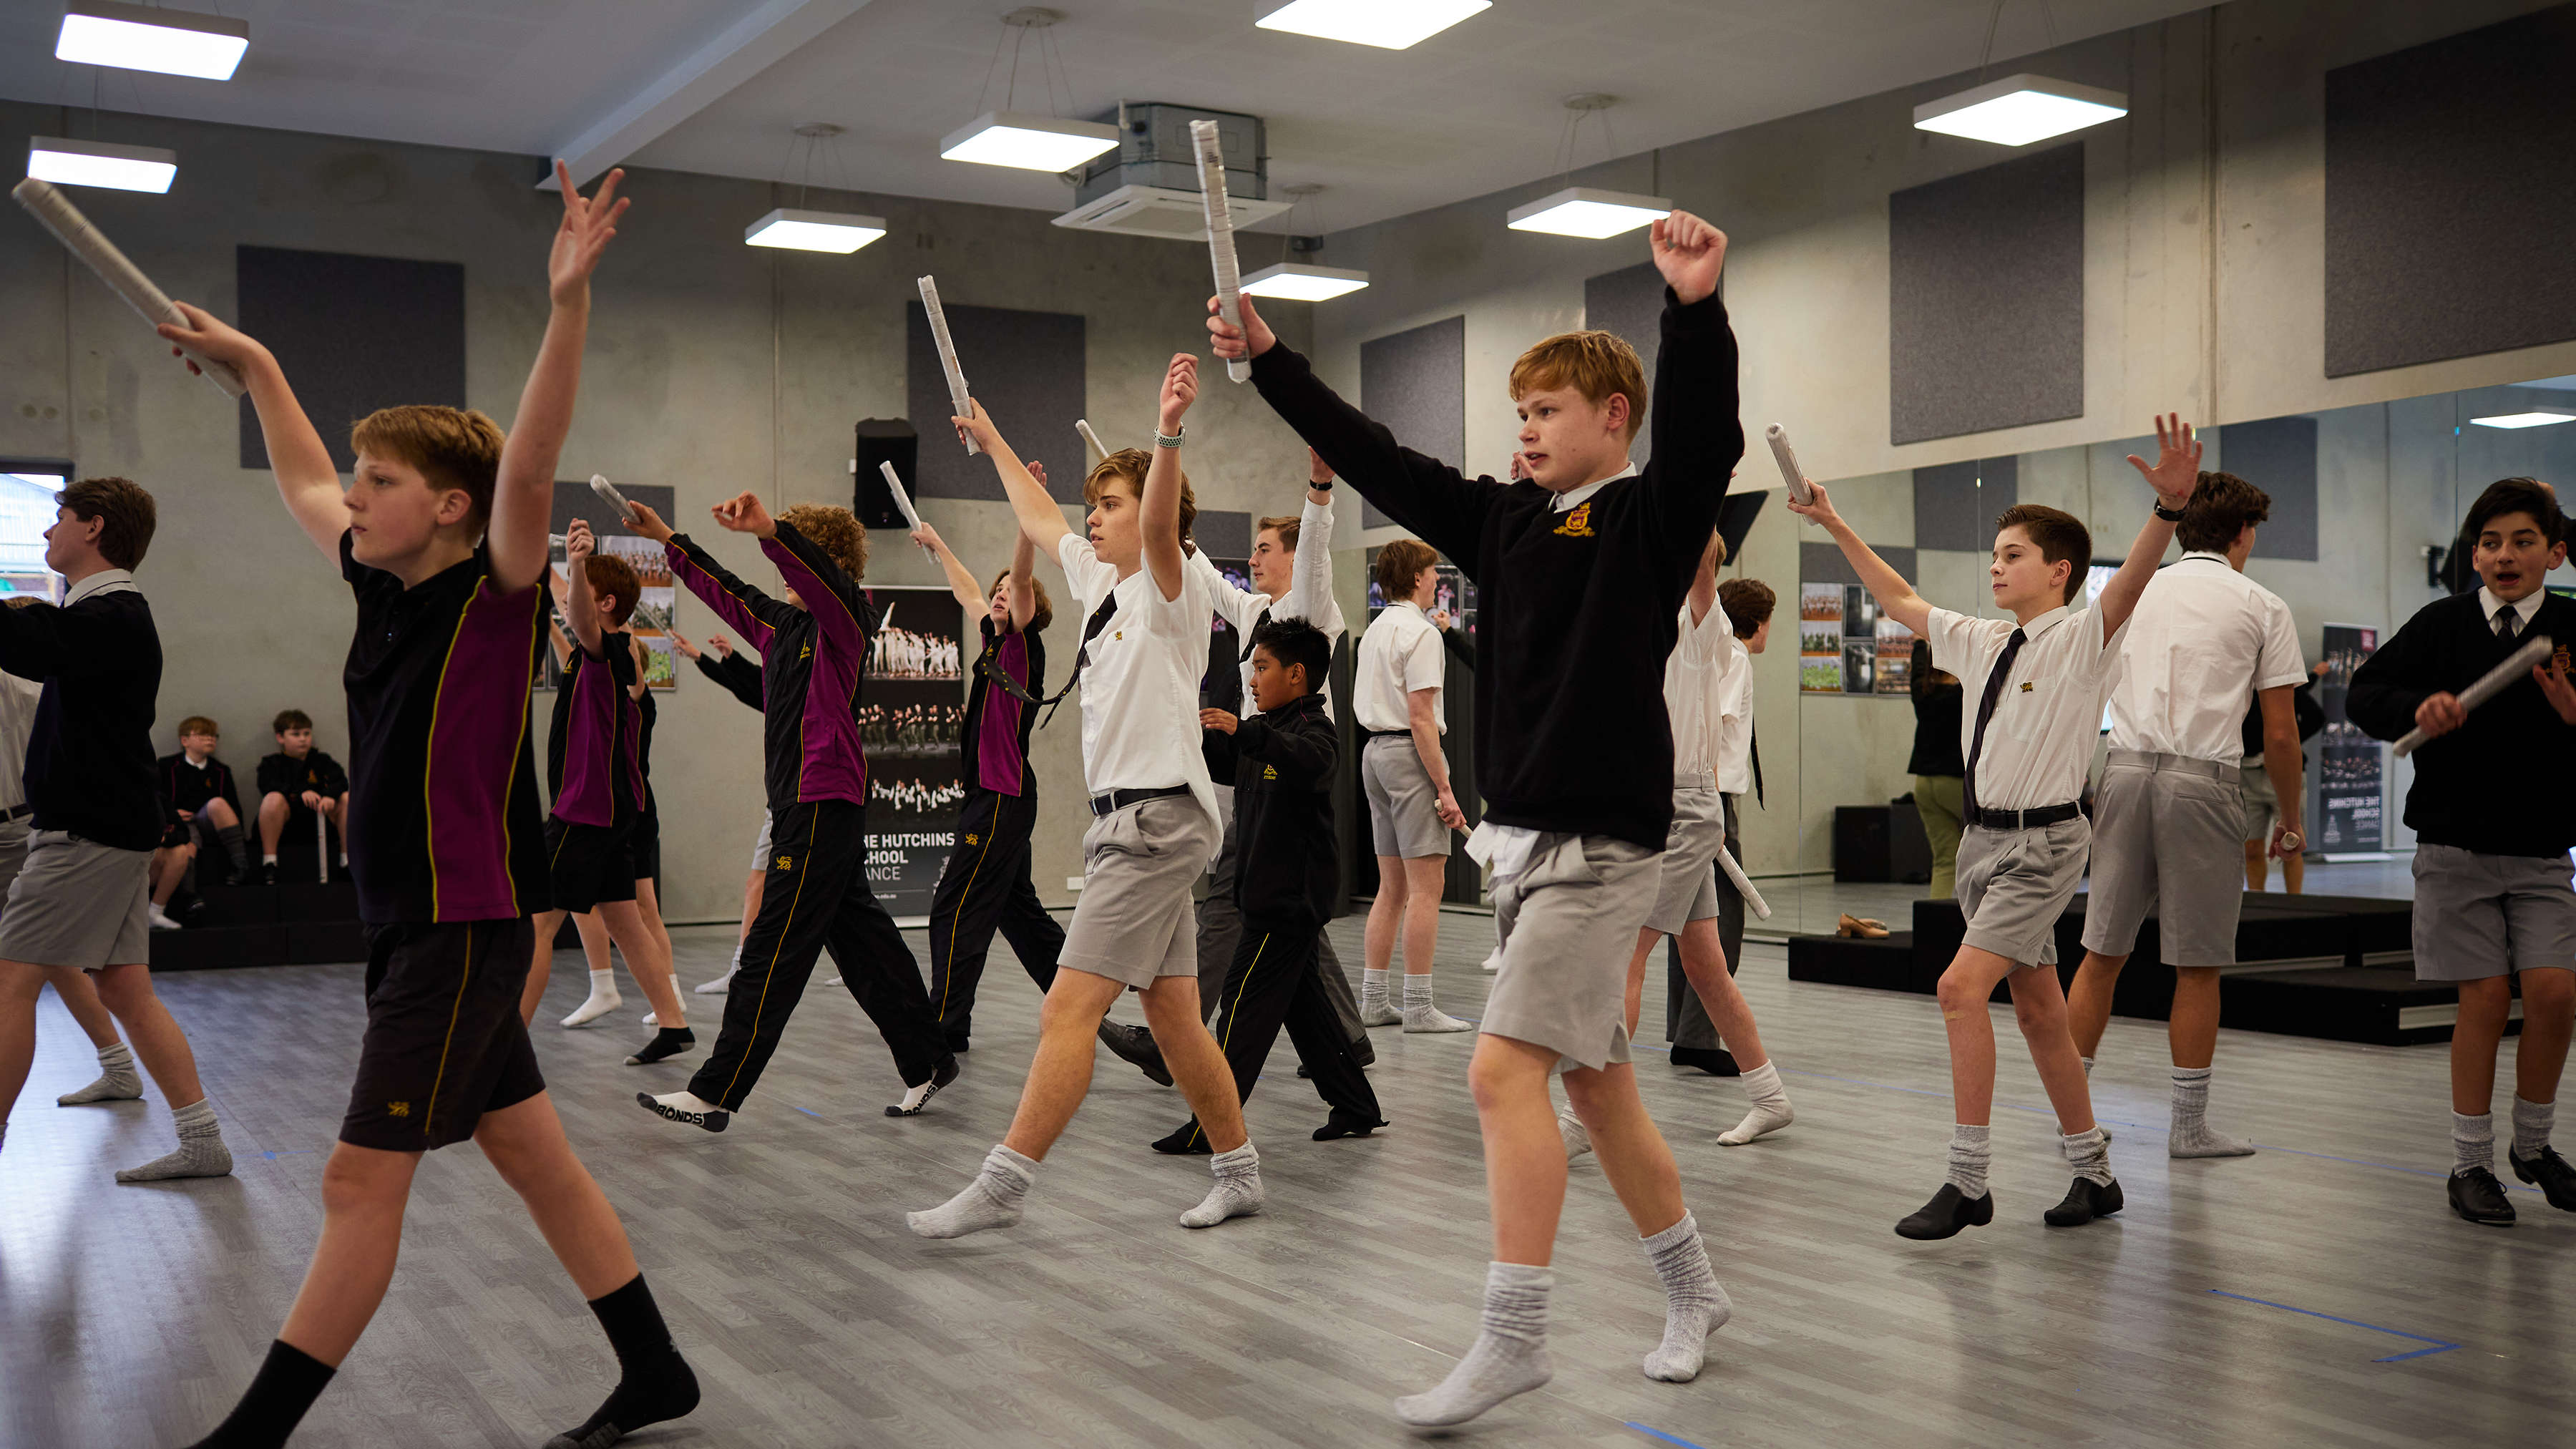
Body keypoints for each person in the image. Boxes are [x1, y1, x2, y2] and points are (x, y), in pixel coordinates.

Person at [160, 162, 701, 1449]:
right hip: (413, 920)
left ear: (447, 508)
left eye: (378, 477)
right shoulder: (382, 585)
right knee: (533, 1155)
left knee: (357, 1180)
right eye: (359, 473)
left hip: (464, 924)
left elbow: (532, 465)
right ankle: (658, 1369)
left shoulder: (494, 588)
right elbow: (300, 481)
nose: (352, 492)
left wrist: (564, 305)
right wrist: (260, 365)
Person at [1213, 210, 1740, 1425]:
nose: (1527, 430)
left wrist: (1694, 311)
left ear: (1614, 419)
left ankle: (1515, 1335)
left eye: (1549, 411)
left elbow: (1704, 434)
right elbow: (1382, 456)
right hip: (1526, 846)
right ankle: (1695, 1290)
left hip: (1606, 847)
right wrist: (1271, 363)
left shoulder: (1649, 522)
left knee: (1504, 1075)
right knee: (1598, 1087)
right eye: (1521, 413)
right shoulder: (1504, 523)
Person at [1792, 412, 2205, 1241]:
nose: (1995, 566)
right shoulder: (1983, 639)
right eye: (1993, 554)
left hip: (2044, 843)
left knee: (1956, 989)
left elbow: (2126, 585)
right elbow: (1897, 598)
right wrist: (1835, 522)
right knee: (2041, 1013)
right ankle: (2095, 1172)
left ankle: (1968, 1180)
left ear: (2060, 571)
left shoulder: (2086, 637)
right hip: (1983, 842)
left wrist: (2166, 512)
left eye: (2012, 555)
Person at [907, 357, 1264, 1239]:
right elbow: (1034, 517)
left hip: (1156, 822)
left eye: (1107, 505)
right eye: (1093, 505)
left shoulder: (1170, 591)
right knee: (1176, 1014)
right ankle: (1241, 1172)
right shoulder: (1099, 584)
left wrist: (1168, 431)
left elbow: (1157, 512)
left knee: (1067, 1006)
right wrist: (990, 439)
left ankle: (1003, 1183)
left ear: (1148, 519)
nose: (1090, 518)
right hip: (1130, 821)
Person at [625, 488, 957, 1128]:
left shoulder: (848, 619)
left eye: (793, 559)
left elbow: (825, 580)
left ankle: (715, 1090)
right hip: (801, 807)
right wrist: (669, 537)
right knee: (866, 947)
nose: (780, 573)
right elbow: (724, 588)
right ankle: (929, 1059)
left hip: (822, 802)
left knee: (770, 951)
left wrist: (774, 532)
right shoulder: (782, 626)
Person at [1100, 447, 1376, 1083]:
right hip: (1257, 774)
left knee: (1232, 895)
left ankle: (1176, 1044)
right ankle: (1348, 1040)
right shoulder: (1255, 613)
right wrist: (1169, 528)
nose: (1252, 559)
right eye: (1252, 550)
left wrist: (1318, 489)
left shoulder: (1311, 610)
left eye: (1264, 550)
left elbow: (1312, 553)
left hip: (1294, 771)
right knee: (1294, 919)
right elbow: (1204, 579)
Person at [2347, 477, 2576, 1226]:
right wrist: (2416, 708)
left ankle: (2534, 1149)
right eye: (2489, 542)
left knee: (2552, 993)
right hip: (2453, 847)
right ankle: (2470, 1163)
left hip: (2543, 848)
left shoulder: (2573, 626)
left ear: (2556, 552)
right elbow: (2365, 694)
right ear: (2472, 555)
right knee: (2481, 999)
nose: (2505, 555)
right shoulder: (2441, 626)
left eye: (2523, 541)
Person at [0, 477, 235, 1184]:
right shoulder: (98, 618)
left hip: (87, 835)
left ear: (94, 528)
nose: (47, 534)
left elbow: (29, 640)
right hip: (105, 829)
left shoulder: (113, 618)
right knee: (126, 988)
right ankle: (202, 1141)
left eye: (58, 519)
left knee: (10, 983)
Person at [2064, 470, 2303, 1161]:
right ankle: (2188, 1128)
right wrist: (2288, 817)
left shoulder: (2134, 591)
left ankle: (2072, 1116)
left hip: (2125, 770)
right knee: (2197, 965)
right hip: (2203, 782)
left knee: (2101, 952)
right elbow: (2281, 735)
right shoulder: (2261, 603)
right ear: (2243, 533)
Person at [1151, 617, 1386, 1152]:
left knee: (1240, 1009)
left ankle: (1211, 1124)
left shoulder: (1312, 733)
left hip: (1287, 906)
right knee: (1308, 1013)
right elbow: (1224, 760)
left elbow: (1312, 762)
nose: (1252, 680)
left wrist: (1247, 730)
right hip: (1269, 900)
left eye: (1261, 668)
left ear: (1297, 675)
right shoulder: (1266, 732)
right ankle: (1355, 1104)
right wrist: (1191, 727)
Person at [519, 522, 691, 1068]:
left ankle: (503, 1044)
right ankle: (674, 1024)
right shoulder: (594, 652)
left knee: (537, 920)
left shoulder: (610, 650)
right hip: (611, 814)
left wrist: (578, 560)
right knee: (623, 918)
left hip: (585, 812)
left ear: (606, 603)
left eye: (584, 592)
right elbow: (566, 609)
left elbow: (576, 613)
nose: (574, 602)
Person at [1637, 557, 1792, 1144]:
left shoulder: (1707, 628)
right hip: (1672, 801)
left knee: (1626, 955)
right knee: (1705, 958)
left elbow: (1721, 729)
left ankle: (1585, 1118)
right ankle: (1768, 1093)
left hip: (1692, 802)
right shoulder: (1653, 620)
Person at [907, 512, 1068, 1053]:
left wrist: (1024, 525)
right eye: (997, 590)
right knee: (1016, 909)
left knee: (953, 906)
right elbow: (968, 590)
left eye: (1008, 591)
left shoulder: (1024, 646)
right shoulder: (993, 643)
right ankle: (1079, 995)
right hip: (995, 798)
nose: (999, 595)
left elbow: (1021, 581)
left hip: (1002, 798)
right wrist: (938, 542)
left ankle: (944, 1025)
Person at [1352, 537, 1472, 1032]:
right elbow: (1422, 718)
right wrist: (1444, 787)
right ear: (1417, 579)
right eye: (1432, 572)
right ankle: (1419, 1006)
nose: (1438, 580)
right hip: (1407, 754)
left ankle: (1374, 999)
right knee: (1428, 886)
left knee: (1393, 886)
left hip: (1374, 756)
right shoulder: (1422, 634)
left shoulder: (1377, 629)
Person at [1670, 575, 1774, 1071]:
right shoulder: (1731, 654)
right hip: (1711, 798)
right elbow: (1710, 724)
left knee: (1687, 918)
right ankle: (1696, 1036)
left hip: (1697, 793)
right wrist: (1710, 806)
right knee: (1721, 919)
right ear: (1757, 622)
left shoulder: (1698, 643)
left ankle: (1687, 1031)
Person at [671, 628, 767, 996]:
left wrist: (716, 659)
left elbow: (754, 687)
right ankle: (740, 969)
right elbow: (749, 688)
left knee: (760, 884)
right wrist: (705, 657)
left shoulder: (800, 683)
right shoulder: (786, 685)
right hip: (790, 798)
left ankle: (740, 969)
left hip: (797, 798)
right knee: (759, 884)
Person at [2241, 662, 2326, 892]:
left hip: (2283, 773)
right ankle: (2257, 903)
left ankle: (2295, 903)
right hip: (2246, 772)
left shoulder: (2279, 679)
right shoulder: (2240, 683)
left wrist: (2290, 743)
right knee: (2252, 849)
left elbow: (2314, 715)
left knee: (2291, 846)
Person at [255, 709, 349, 883]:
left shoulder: (323, 761)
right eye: (296, 734)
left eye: (307, 733)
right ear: (281, 738)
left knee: (346, 798)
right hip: (288, 824)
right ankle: (270, 863)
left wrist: (330, 796)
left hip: (322, 819)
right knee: (272, 799)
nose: (303, 739)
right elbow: (267, 785)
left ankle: (347, 861)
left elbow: (341, 782)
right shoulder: (271, 763)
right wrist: (300, 793)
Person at [160, 715, 250, 885]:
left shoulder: (220, 770)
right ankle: (189, 892)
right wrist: (173, 814)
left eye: (213, 735)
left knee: (218, 803)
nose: (210, 738)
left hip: (210, 824)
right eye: (202, 734)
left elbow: (234, 807)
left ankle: (241, 865)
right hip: (180, 824)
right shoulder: (167, 766)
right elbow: (158, 799)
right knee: (188, 836)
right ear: (185, 740)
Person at [1907, 637, 1965, 899]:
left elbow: (1918, 669)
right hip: (1955, 783)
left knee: (1943, 861)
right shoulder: (1963, 695)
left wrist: (1920, 645)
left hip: (1924, 785)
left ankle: (1935, 924)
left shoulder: (1923, 692)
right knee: (1987, 852)